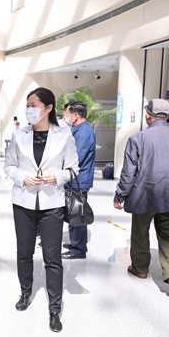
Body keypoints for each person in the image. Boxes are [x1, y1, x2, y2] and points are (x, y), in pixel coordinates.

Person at [4, 87, 78, 332]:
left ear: (48, 108)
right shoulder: (19, 135)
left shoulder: (64, 135)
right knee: (24, 253)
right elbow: (9, 166)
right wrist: (23, 177)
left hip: (51, 204)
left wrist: (56, 177)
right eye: (28, 105)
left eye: (34, 105)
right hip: (23, 202)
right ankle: (25, 293)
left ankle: (54, 307)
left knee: (52, 258)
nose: (29, 109)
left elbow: (73, 169)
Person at [113, 99, 169, 299]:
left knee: (140, 232)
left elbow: (128, 173)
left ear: (147, 116)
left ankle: (140, 268)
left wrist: (120, 195)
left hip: (144, 194)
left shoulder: (137, 138)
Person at [61, 101, 96, 259]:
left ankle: (78, 250)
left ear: (75, 115)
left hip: (79, 181)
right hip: (74, 180)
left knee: (78, 213)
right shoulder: (79, 129)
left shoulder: (84, 132)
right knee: (72, 212)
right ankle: (75, 242)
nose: (65, 118)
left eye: (67, 115)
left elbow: (76, 157)